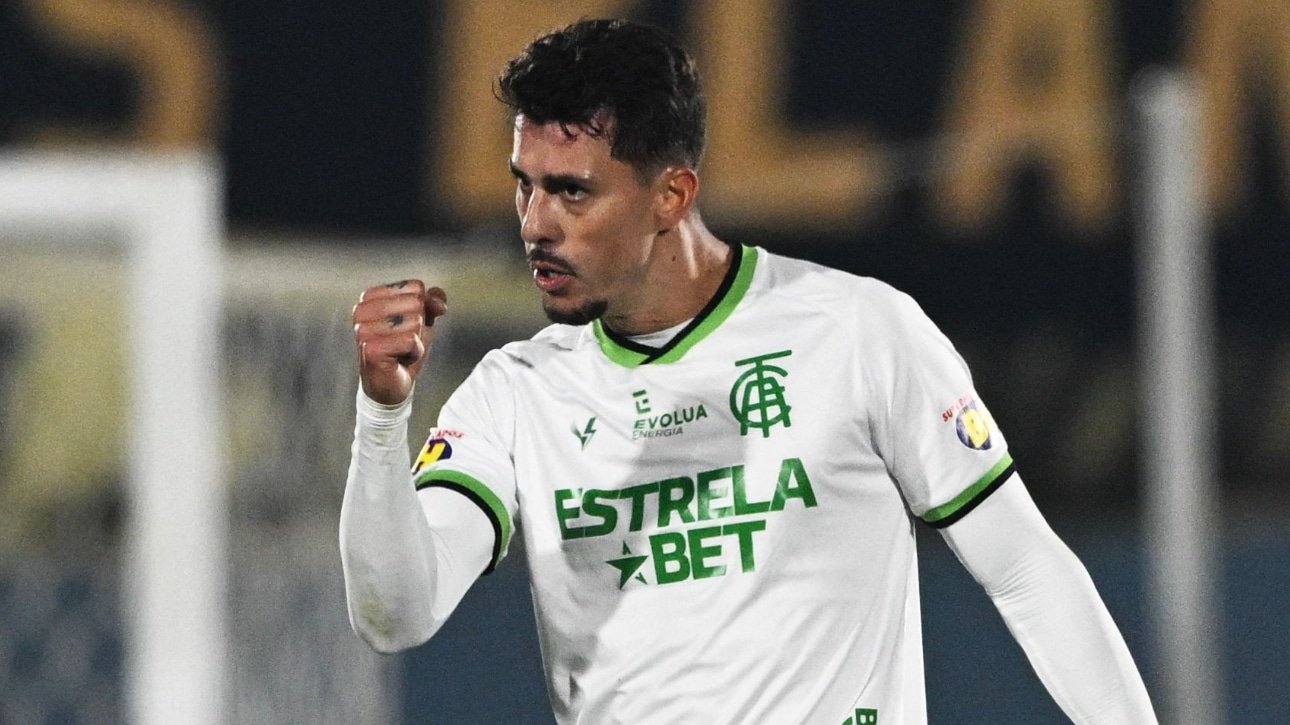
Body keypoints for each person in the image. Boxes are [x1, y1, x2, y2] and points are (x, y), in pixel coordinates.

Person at [340, 18, 1157, 724]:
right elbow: (396, 614)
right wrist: (382, 418)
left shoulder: (859, 331)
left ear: (671, 195)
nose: (536, 225)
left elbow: (1024, 569)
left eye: (572, 192)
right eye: (525, 188)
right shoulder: (514, 393)